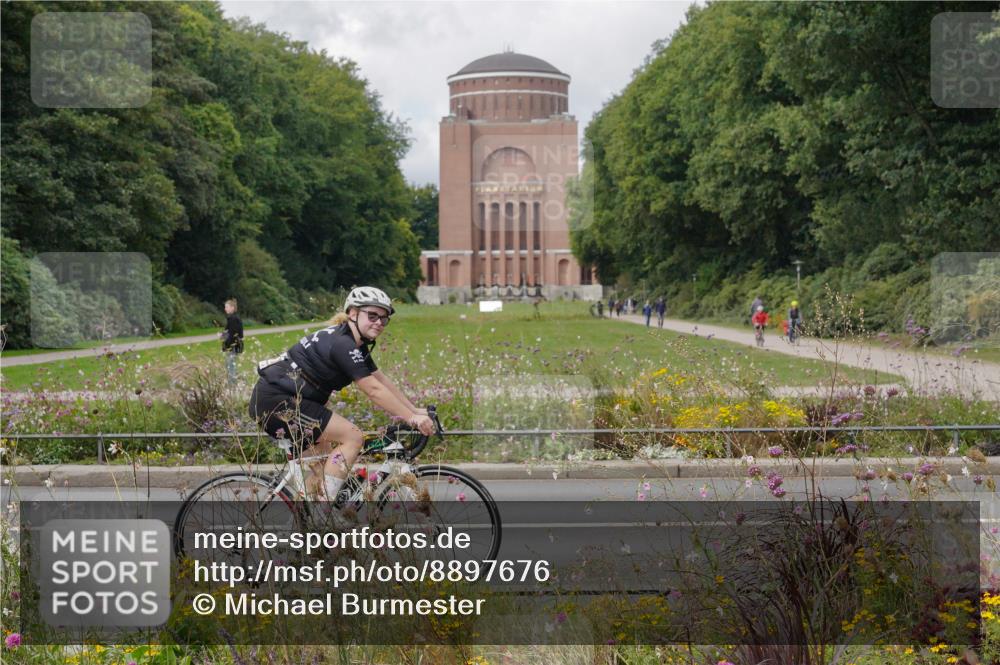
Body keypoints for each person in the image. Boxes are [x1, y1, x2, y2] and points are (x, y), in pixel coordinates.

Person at [248, 286, 435, 501]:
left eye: (384, 319)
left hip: (289, 399)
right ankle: (326, 512)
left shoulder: (355, 344)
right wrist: (411, 418)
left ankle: (309, 523)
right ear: (353, 314)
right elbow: (373, 390)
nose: (379, 323)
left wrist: (413, 410)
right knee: (353, 437)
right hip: (278, 401)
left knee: (328, 466)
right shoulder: (342, 344)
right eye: (372, 315)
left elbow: (381, 381)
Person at [220, 299, 244, 385]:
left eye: (226, 307)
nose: (225, 309)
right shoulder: (232, 319)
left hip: (233, 347)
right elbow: (229, 332)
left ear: (232, 308)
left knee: (231, 366)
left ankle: (232, 386)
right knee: (229, 365)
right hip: (232, 346)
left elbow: (234, 334)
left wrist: (227, 345)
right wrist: (223, 335)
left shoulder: (233, 319)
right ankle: (233, 383)